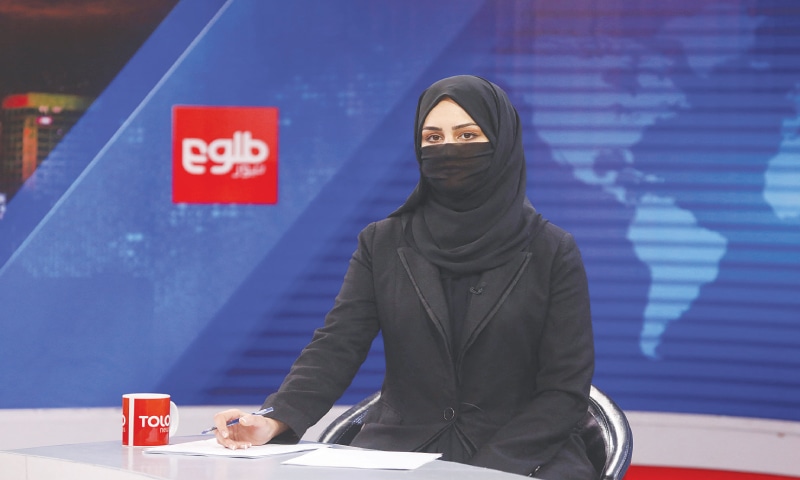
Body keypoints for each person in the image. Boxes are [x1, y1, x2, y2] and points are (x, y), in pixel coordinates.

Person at [213, 75, 597, 479]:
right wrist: (274, 419)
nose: (448, 149)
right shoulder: (383, 242)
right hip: (399, 451)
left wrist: (486, 470)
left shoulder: (552, 250)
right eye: (433, 138)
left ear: (501, 144)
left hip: (519, 455)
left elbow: (564, 390)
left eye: (467, 135)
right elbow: (337, 346)